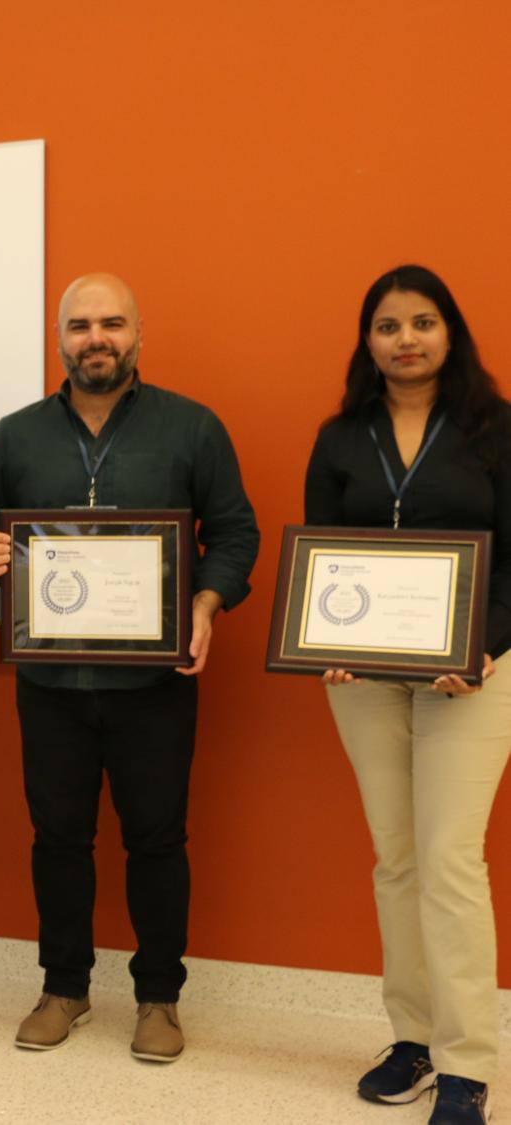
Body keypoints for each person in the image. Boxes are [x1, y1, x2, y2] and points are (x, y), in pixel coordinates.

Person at [0, 273, 258, 1062]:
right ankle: (64, 986)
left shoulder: (192, 427)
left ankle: (159, 997)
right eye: (81, 325)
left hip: (154, 686)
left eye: (113, 323)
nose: (97, 337)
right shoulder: (16, 434)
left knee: (157, 840)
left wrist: (205, 604)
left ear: (138, 333)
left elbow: (234, 534)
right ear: (59, 338)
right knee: (58, 837)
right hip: (50, 685)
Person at [305, 265, 511, 1125]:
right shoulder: (341, 435)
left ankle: (469, 1063)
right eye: (388, 326)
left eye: (423, 322)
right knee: (397, 857)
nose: (406, 339)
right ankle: (414, 1037)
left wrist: (487, 646)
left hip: (476, 674)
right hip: (365, 679)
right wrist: (328, 641)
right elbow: (322, 548)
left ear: (450, 332)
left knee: (451, 862)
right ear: (368, 342)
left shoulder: (496, 430)